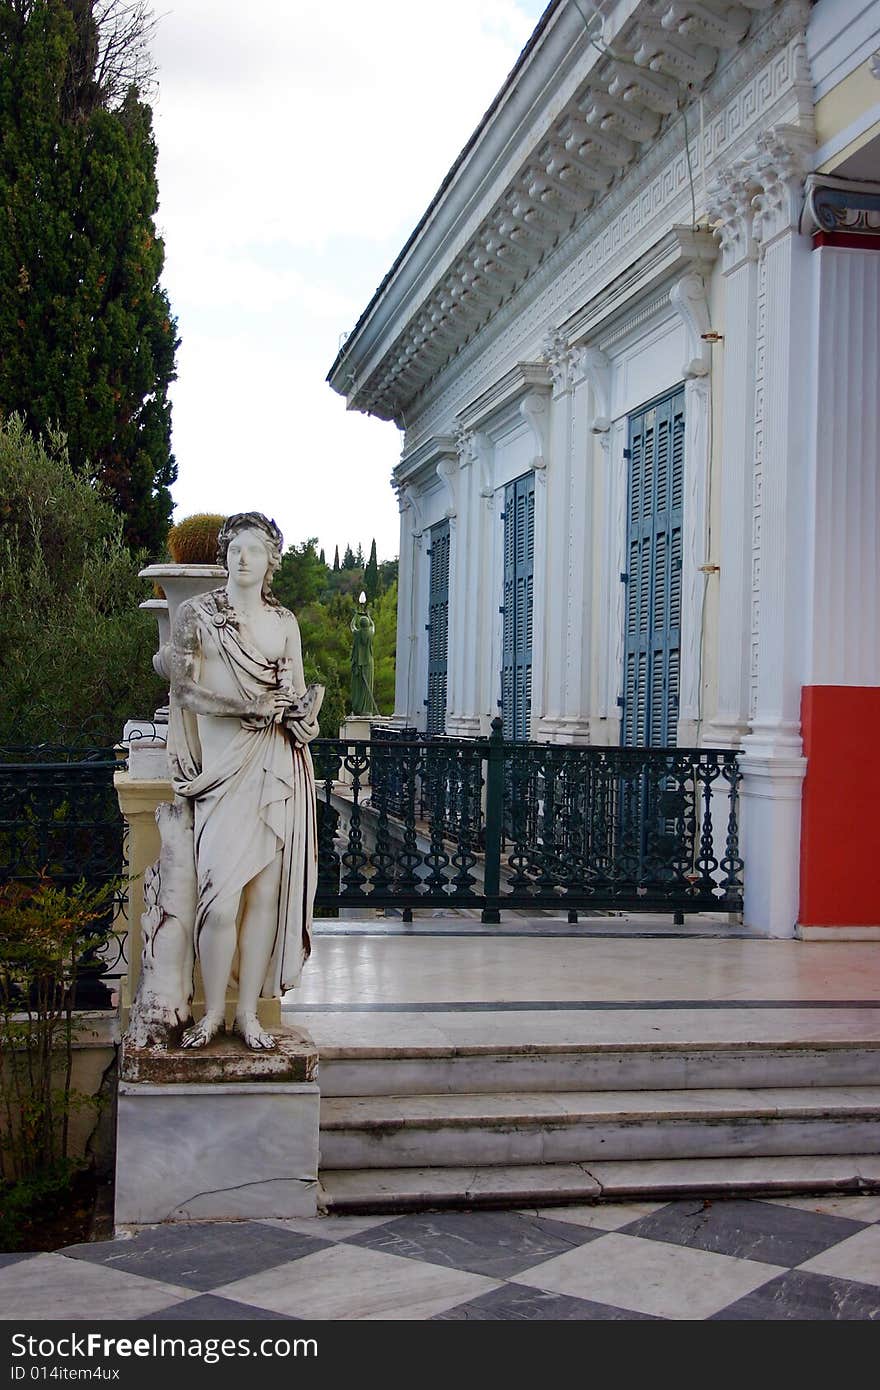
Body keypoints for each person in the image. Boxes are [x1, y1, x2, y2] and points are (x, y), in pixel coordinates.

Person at [166, 512, 323, 1051]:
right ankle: (212, 1013)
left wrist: (304, 718)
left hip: (274, 767)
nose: (243, 558)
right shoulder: (197, 615)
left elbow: (298, 697)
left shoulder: (285, 623)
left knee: (264, 898)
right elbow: (185, 691)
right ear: (225, 554)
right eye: (235, 548)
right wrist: (246, 706)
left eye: (255, 549)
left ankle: (250, 1016)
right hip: (221, 772)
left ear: (271, 561)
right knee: (221, 901)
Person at [349, 611, 378, 716]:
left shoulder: (357, 634)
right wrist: (369, 616)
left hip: (358, 664)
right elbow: (373, 626)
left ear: (360, 625)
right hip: (369, 663)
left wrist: (355, 616)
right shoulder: (370, 633)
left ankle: (359, 708)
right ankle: (366, 709)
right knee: (368, 686)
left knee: (358, 687)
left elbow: (352, 626)